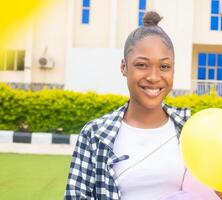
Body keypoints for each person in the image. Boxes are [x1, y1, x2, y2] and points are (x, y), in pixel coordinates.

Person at [64, 11, 192, 200]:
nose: (154, 77)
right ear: (124, 67)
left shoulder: (191, 128)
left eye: (164, 67)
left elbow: (207, 187)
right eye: (142, 65)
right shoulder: (95, 134)